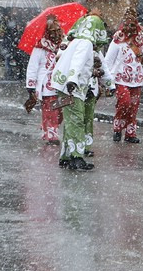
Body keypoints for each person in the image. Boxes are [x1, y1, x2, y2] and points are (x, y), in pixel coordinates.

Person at [49, 13, 114, 170]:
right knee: (77, 120)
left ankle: (66, 157)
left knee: (71, 121)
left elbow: (97, 65)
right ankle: (77, 157)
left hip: (65, 86)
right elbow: (77, 62)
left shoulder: (78, 41)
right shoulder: (85, 43)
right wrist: (72, 79)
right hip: (72, 87)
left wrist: (109, 84)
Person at [104, 7, 143, 143]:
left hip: (137, 79)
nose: (130, 27)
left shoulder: (140, 38)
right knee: (124, 102)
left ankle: (130, 133)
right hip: (120, 78)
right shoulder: (118, 38)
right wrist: (107, 81)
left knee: (133, 106)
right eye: (127, 24)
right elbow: (108, 60)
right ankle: (118, 127)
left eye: (132, 24)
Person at [24, 14, 65, 143]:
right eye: (53, 31)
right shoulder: (40, 48)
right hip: (46, 85)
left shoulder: (64, 47)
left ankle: (48, 126)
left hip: (61, 84)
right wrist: (31, 86)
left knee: (60, 111)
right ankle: (51, 133)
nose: (56, 34)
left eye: (58, 30)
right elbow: (33, 67)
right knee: (51, 108)